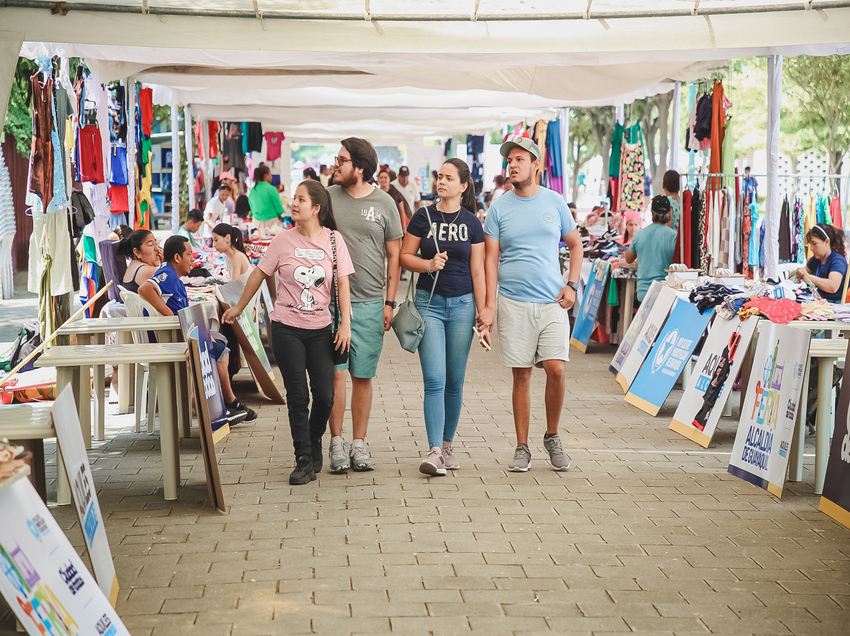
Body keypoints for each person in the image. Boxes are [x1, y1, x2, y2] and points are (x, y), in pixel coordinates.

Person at [222, 180, 354, 485]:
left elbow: (344, 284)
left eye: (301, 199)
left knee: (325, 395)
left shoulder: (334, 241)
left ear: (317, 208)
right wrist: (239, 307)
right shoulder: (283, 240)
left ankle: (314, 437)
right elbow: (258, 274)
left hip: (322, 329)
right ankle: (303, 459)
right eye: (294, 198)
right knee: (297, 396)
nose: (293, 203)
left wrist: (345, 323)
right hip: (286, 329)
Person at [478, 136, 583, 473]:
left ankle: (552, 435)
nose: (513, 164)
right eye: (510, 160)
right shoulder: (499, 207)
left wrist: (572, 285)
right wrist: (489, 306)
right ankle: (522, 446)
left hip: (553, 301)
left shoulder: (554, 202)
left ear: (536, 165)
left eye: (521, 159)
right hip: (513, 302)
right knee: (521, 375)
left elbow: (576, 245)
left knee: (556, 368)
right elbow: (490, 260)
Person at [399, 159, 486, 476]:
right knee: (434, 380)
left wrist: (484, 310)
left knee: (454, 381)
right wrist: (428, 264)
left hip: (463, 306)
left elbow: (478, 270)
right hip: (428, 304)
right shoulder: (423, 217)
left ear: (463, 186)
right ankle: (434, 451)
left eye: (449, 178)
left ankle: (448, 446)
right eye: (440, 177)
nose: (442, 182)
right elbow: (405, 257)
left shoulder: (473, 223)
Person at [327, 137, 403, 473]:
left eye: (341, 160)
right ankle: (336, 443)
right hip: (329, 303)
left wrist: (389, 301)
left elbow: (394, 255)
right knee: (335, 376)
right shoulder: (326, 198)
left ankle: (359, 443)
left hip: (371, 301)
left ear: (360, 167)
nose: (335, 164)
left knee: (362, 376)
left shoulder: (385, 202)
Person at [138, 236, 256, 423]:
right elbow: (144, 289)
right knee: (218, 351)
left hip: (182, 334)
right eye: (188, 254)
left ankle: (219, 402)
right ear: (177, 258)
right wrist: (170, 316)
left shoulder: (173, 276)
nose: (193, 258)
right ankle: (226, 403)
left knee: (222, 349)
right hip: (174, 338)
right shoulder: (167, 274)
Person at [625, 195, 677, 302]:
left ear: (652, 212)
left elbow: (628, 259)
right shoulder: (674, 237)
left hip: (643, 293)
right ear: (669, 213)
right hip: (665, 293)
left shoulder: (639, 234)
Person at [797, 223, 848, 303]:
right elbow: (803, 275)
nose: (811, 248)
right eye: (810, 244)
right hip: (817, 301)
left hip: (834, 305)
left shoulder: (837, 261)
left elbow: (832, 286)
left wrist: (808, 276)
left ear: (827, 242)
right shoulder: (815, 260)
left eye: (814, 244)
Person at [117, 229, 162, 294]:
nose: (157, 248)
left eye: (156, 243)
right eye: (150, 244)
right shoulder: (147, 271)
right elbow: (175, 289)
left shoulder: (134, 265)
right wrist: (166, 264)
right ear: (137, 252)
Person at [249, 165, 285, 234]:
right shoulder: (272, 189)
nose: (271, 176)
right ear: (266, 176)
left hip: (256, 224)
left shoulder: (253, 190)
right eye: (270, 174)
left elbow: (252, 209)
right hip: (272, 224)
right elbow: (279, 209)